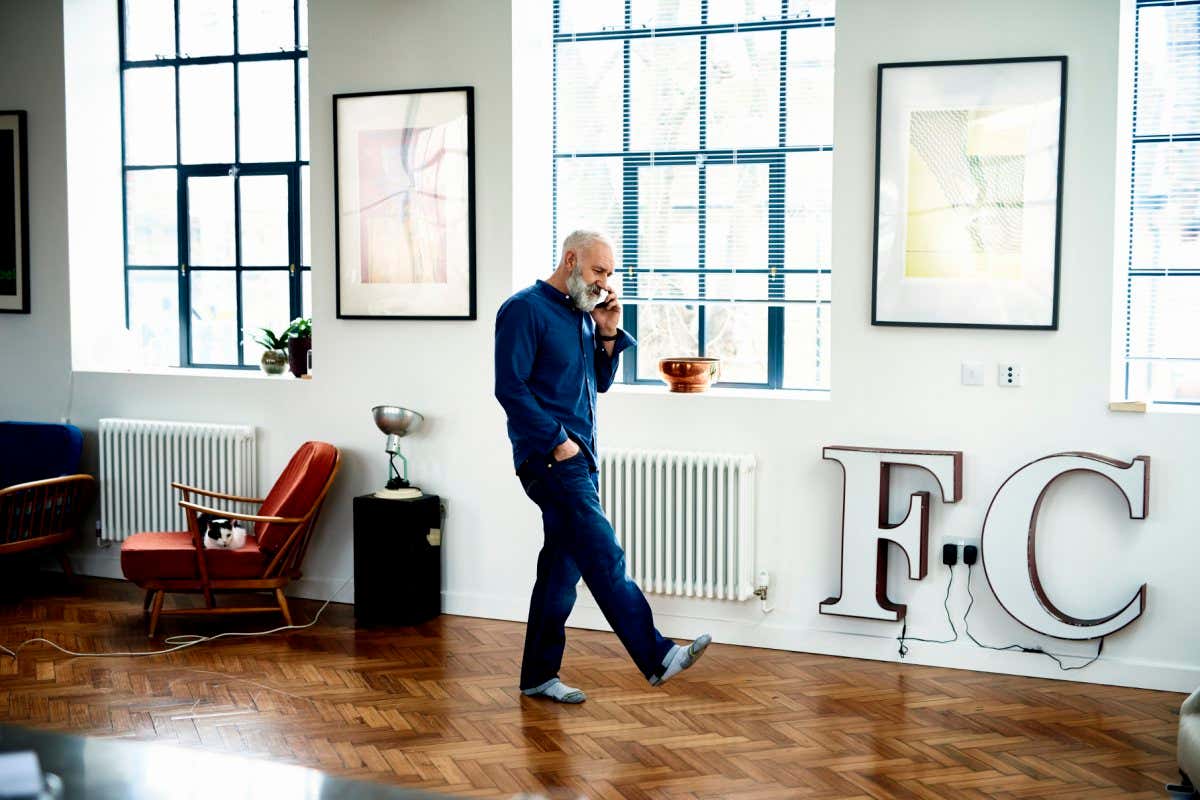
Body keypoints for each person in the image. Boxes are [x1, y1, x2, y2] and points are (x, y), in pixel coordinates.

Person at [494, 229, 711, 704]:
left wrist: (608, 330)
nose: (605, 282)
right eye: (598, 271)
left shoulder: (582, 314)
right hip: (550, 459)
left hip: (581, 461)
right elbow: (509, 388)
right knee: (604, 555)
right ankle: (658, 656)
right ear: (570, 260)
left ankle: (537, 676)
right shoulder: (523, 310)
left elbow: (601, 382)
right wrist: (558, 443)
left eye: (609, 274)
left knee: (560, 571)